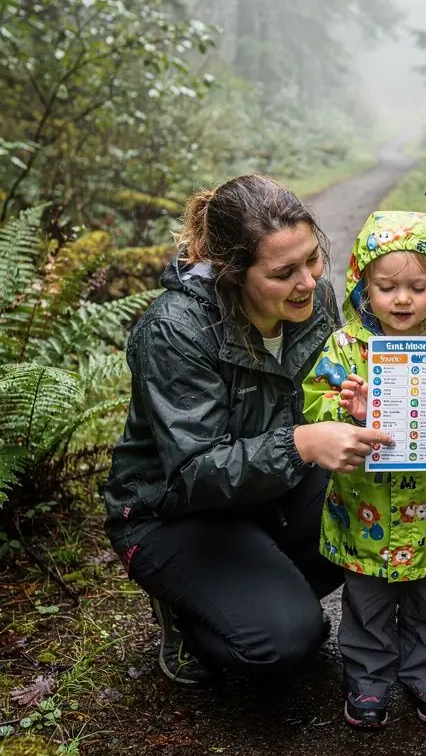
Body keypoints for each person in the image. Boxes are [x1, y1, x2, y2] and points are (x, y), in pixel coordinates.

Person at [102, 174, 388, 686]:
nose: (308, 281)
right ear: (232, 273)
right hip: (173, 512)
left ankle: (251, 587)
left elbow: (328, 385)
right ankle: (192, 614)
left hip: (266, 491)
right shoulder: (176, 329)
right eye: (283, 272)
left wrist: (353, 404)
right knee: (284, 641)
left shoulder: (315, 301)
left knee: (383, 509)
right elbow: (192, 472)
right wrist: (301, 443)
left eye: (312, 259)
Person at [301, 210, 426, 729]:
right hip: (363, 511)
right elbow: (314, 411)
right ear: (364, 285)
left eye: (418, 286)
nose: (403, 299)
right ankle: (368, 683)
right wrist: (348, 412)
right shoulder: (345, 348)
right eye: (387, 286)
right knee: (365, 605)